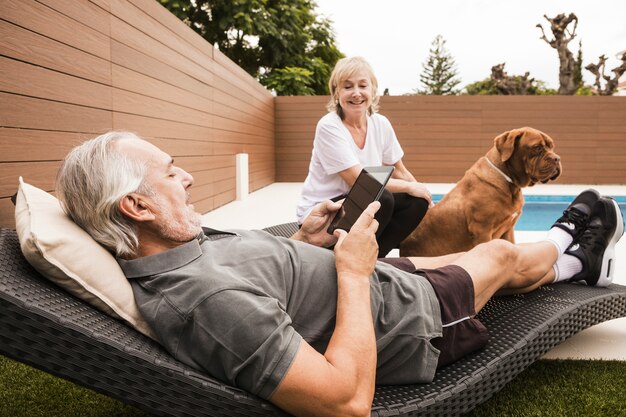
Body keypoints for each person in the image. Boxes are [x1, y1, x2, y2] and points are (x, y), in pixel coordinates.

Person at [56, 131, 623, 417]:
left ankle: (571, 255)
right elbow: (344, 404)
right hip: (406, 318)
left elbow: (274, 282)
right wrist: (351, 272)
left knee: (487, 260)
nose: (185, 180)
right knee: (497, 258)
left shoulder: (184, 246)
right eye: (170, 174)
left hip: (372, 280)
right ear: (137, 207)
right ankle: (572, 252)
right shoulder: (205, 302)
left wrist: (307, 243)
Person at [296, 56, 432, 257]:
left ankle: (373, 260)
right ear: (336, 93)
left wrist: (423, 194)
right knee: (381, 197)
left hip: (361, 201)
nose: (356, 93)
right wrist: (411, 187)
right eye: (348, 87)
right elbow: (357, 179)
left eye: (362, 86)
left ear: (373, 91)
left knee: (415, 202)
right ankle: (344, 257)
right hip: (325, 211)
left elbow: (400, 170)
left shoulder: (381, 123)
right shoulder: (329, 126)